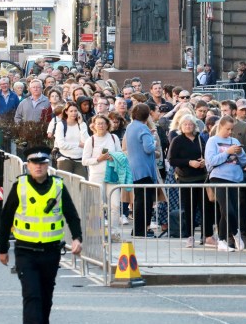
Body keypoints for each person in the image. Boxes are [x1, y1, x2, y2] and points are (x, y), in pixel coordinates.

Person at [0, 146, 82, 324]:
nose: (39, 167)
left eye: (43, 163)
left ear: (48, 165)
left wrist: (77, 238)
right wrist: (3, 248)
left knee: (45, 297)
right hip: (26, 251)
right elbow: (6, 217)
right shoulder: (21, 185)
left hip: (51, 251)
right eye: (35, 163)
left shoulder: (58, 186)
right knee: (32, 295)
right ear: (28, 165)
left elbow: (71, 214)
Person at [205, 115, 246, 252]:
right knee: (226, 208)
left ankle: (222, 240)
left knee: (231, 209)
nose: (230, 132)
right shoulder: (212, 141)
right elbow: (211, 161)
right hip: (218, 177)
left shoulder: (234, 140)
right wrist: (227, 153)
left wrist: (240, 153)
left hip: (234, 177)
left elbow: (244, 162)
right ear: (220, 127)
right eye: (227, 129)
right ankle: (236, 233)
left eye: (232, 129)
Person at [168, 114, 213, 247]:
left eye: (190, 124)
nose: (188, 126)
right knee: (189, 208)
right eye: (185, 124)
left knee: (206, 207)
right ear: (181, 126)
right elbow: (171, 160)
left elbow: (207, 154)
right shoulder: (177, 140)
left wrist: (205, 161)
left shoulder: (200, 139)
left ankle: (208, 235)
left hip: (202, 178)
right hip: (186, 179)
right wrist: (189, 162)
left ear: (194, 126)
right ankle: (190, 236)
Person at [83, 114, 123, 241]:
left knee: (115, 204)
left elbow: (121, 155)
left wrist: (114, 157)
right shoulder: (91, 140)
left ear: (107, 125)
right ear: (93, 126)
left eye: (103, 123)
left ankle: (114, 232)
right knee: (97, 204)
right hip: (96, 175)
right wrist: (98, 159)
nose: (100, 125)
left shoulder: (114, 137)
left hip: (112, 174)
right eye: (98, 123)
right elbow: (84, 160)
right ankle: (96, 231)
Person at [124, 104, 160, 238]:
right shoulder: (143, 128)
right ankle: (141, 230)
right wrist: (154, 140)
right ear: (147, 115)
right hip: (144, 169)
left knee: (139, 200)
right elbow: (148, 148)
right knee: (145, 202)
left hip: (134, 167)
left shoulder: (130, 126)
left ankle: (138, 229)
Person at [53, 102, 88, 178]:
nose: (74, 113)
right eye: (71, 111)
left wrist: (81, 124)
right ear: (66, 112)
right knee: (65, 185)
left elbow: (86, 142)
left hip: (79, 160)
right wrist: (78, 144)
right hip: (64, 159)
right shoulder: (61, 125)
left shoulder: (82, 124)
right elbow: (61, 145)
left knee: (82, 185)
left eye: (75, 111)